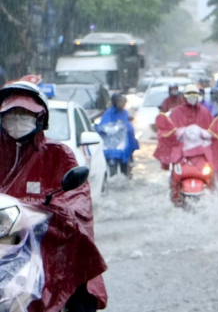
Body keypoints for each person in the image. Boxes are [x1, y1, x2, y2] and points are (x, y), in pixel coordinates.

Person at [0, 80, 107, 311]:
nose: (17, 121)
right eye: (11, 115)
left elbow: (77, 197)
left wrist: (49, 210)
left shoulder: (58, 154)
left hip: (46, 237)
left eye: (24, 115)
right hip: (3, 237)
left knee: (77, 259)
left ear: (40, 119)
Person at [153, 84, 218, 175]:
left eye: (194, 95)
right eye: (189, 95)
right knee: (174, 175)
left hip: (202, 153)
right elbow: (169, 132)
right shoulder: (176, 112)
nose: (192, 98)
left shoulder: (204, 112)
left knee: (211, 174)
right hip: (181, 153)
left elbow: (212, 133)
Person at [96, 93, 139, 167]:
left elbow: (126, 123)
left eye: (123, 102)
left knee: (131, 134)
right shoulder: (109, 112)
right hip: (110, 137)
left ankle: (130, 156)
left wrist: (125, 126)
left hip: (122, 136)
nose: (121, 104)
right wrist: (108, 128)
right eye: (119, 102)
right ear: (115, 102)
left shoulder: (124, 112)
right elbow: (103, 123)